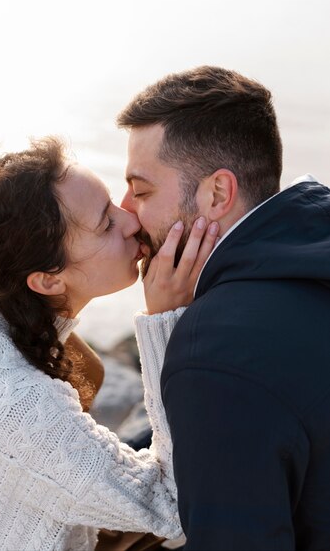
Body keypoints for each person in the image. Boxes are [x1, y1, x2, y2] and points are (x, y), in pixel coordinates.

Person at [0, 136, 218, 551]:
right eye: (106, 224)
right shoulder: (10, 401)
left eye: (113, 204)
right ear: (48, 280)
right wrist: (164, 321)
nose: (131, 220)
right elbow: (176, 505)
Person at [118, 65, 330, 551]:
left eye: (142, 190)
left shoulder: (214, 351)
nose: (126, 212)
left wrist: (178, 333)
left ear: (217, 193)